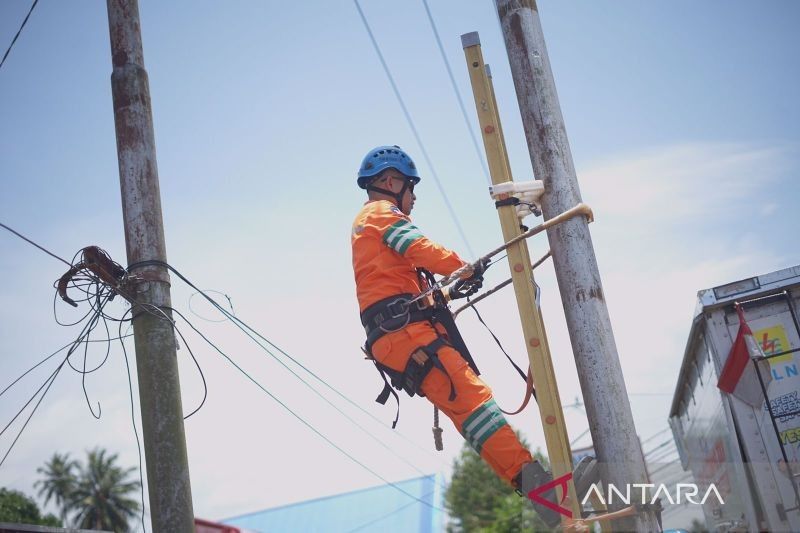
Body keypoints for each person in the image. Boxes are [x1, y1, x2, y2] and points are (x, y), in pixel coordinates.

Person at [351, 145, 594, 527]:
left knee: (472, 416)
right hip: (407, 335)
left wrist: (447, 289)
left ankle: (547, 499)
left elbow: (398, 285)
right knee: (476, 404)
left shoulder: (369, 228)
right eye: (410, 188)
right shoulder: (382, 213)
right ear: (390, 182)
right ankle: (550, 494)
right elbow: (418, 247)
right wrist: (461, 267)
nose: (413, 198)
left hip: (400, 337)